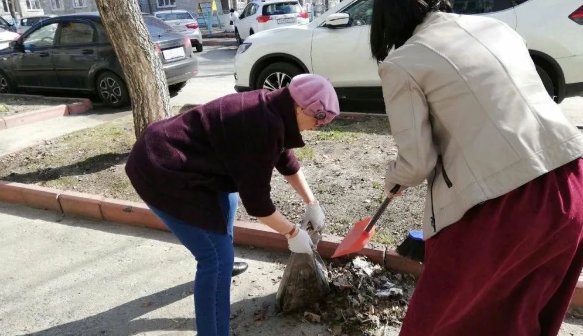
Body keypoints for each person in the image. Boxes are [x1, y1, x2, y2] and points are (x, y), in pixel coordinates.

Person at [369, 1, 583, 335]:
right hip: (571, 180)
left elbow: (416, 164)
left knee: (436, 323)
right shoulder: (496, 28)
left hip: (508, 205)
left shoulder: (404, 63)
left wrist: (392, 181)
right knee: (523, 317)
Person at [125, 74, 339, 336]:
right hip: (161, 168)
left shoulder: (273, 108)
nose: (318, 128)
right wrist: (292, 233)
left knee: (228, 200)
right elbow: (259, 204)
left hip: (187, 157)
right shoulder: (261, 127)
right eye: (319, 121)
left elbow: (285, 158)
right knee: (214, 260)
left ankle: (222, 263)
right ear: (300, 107)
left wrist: (312, 202)